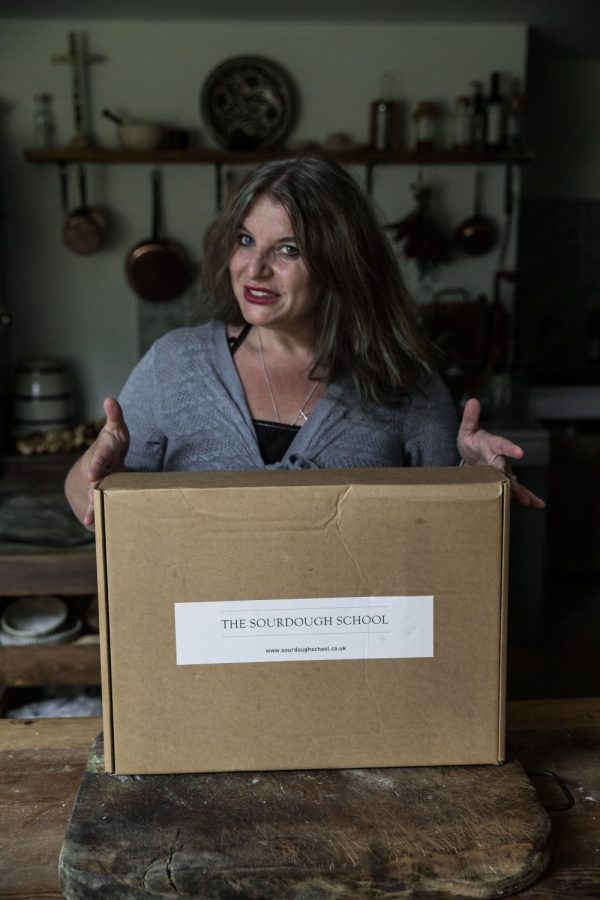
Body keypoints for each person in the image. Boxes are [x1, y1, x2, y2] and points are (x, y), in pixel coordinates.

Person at [65, 154, 544, 528]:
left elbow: (444, 537)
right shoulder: (174, 363)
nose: (254, 269)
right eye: (246, 240)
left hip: (352, 648)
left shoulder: (406, 384)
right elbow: (88, 506)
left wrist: (477, 483)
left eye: (287, 249)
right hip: (204, 649)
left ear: (340, 263)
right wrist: (93, 468)